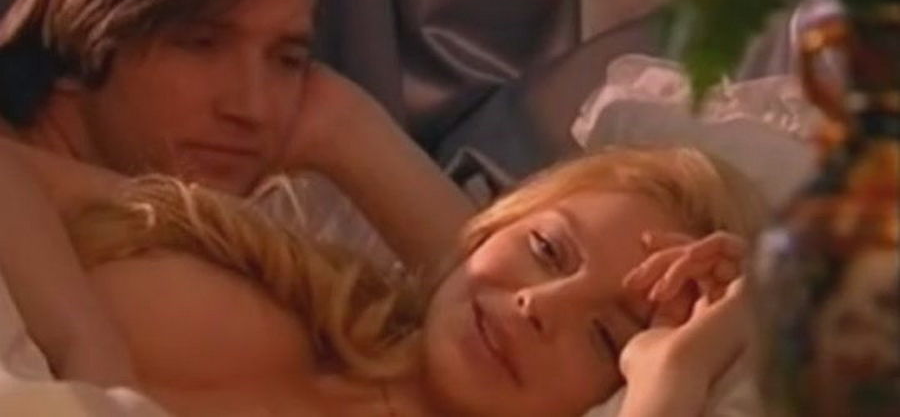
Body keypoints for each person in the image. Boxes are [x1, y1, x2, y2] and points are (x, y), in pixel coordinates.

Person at [0, 0, 473, 391]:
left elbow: (518, 327)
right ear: (79, 37)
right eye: (200, 43)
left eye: (287, 59)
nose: (251, 107)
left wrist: (352, 131)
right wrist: (86, 345)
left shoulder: (283, 203)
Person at [3, 138, 762, 416]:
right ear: (493, 226)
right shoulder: (270, 262)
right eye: (547, 249)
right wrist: (85, 347)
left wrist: (673, 381)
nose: (539, 304)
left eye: (606, 339)